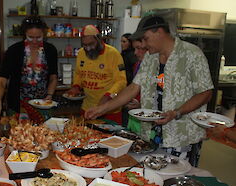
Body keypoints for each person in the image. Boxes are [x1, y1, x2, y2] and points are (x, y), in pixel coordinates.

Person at [85, 15, 214, 166]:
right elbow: (134, 87)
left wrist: (176, 112)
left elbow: (206, 92)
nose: (144, 44)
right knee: (153, 175)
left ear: (159, 32)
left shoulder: (192, 54)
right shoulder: (150, 57)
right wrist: (102, 109)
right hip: (152, 134)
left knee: (177, 181)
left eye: (146, 38)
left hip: (181, 134)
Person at [0, 15, 58, 119]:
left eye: (38, 37)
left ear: (44, 34)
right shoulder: (13, 51)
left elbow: (53, 77)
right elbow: (2, 80)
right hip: (18, 106)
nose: (34, 41)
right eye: (30, 37)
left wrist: (49, 95)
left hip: (43, 106)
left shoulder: (50, 50)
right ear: (24, 34)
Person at [67, 24, 127, 124]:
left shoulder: (113, 54)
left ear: (99, 40)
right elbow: (78, 73)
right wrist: (76, 86)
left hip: (109, 109)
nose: (88, 48)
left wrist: (108, 95)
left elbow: (121, 81)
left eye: (91, 44)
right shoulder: (81, 53)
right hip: (88, 108)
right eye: (85, 45)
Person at [122, 38, 148, 128]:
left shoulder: (160, 69)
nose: (135, 53)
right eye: (134, 49)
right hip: (134, 117)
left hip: (148, 119)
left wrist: (141, 104)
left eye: (139, 48)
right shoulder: (137, 64)